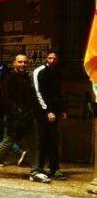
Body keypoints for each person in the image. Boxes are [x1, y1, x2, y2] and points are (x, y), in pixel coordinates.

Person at [0, 53, 51, 183]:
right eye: (20, 62)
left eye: (25, 62)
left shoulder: (28, 78)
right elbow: (2, 99)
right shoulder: (8, 79)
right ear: (14, 63)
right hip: (14, 119)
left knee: (34, 143)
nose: (22, 65)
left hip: (28, 117)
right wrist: (8, 113)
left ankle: (35, 171)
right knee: (7, 142)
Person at [34, 51, 66, 180]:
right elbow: (38, 92)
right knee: (44, 140)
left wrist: (62, 109)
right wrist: (47, 111)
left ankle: (53, 169)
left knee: (53, 140)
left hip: (54, 112)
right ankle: (39, 168)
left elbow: (58, 93)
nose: (52, 60)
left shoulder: (57, 72)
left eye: (55, 58)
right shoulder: (40, 71)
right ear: (46, 58)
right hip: (43, 112)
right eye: (50, 58)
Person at [0, 64, 25, 166]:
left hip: (0, 113)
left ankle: (0, 158)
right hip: (9, 112)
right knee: (6, 136)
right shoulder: (9, 80)